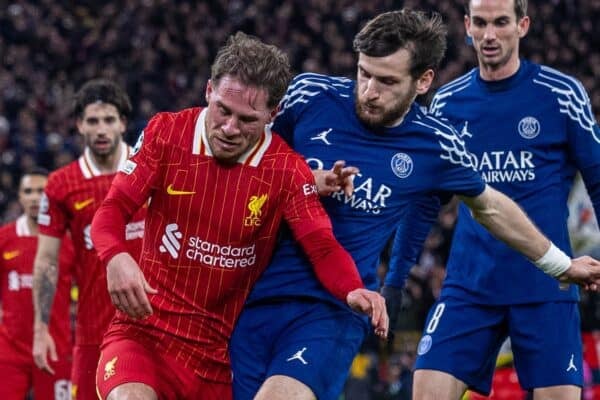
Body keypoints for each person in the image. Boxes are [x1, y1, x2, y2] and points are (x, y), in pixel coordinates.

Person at [229, 8, 600, 400]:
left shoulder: (436, 142)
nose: (369, 91)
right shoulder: (307, 95)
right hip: (253, 291)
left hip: (334, 306)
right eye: (364, 73)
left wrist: (561, 264)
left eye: (387, 81)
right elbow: (247, 158)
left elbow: (490, 207)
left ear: (422, 81)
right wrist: (305, 180)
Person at [89, 31, 387, 400]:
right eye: (223, 111)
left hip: (216, 360)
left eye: (247, 119)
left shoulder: (285, 171)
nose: (229, 129)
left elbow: (321, 245)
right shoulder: (166, 133)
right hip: (142, 337)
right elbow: (112, 209)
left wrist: (353, 289)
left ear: (273, 114)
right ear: (209, 90)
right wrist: (116, 257)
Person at [412, 0, 600, 399]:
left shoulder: (561, 94)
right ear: (466, 25)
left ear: (523, 25)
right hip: (470, 285)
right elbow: (426, 195)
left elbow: (598, 179)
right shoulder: (446, 103)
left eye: (501, 22)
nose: (489, 34)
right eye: (480, 23)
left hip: (547, 283)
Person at [33, 79, 146, 400]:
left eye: (109, 120)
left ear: (123, 123)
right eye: (92, 121)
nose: (101, 129)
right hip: (94, 331)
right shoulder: (61, 185)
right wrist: (40, 330)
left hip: (155, 325)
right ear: (79, 125)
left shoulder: (148, 169)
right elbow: (46, 262)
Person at [0, 168, 74, 400]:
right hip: (10, 352)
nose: (35, 197)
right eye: (28, 191)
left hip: (57, 349)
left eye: (41, 191)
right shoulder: (4, 238)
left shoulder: (69, 241)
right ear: (20, 197)